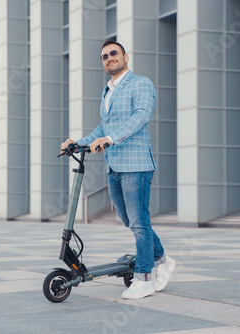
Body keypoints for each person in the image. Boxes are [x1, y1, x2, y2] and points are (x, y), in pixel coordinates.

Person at [60, 39, 176, 299]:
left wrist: (111, 139)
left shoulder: (141, 83)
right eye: (104, 56)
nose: (109, 58)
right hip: (113, 165)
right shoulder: (108, 90)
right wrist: (78, 143)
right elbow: (103, 128)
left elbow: (141, 116)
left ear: (125, 56)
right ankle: (164, 260)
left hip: (136, 165)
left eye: (114, 53)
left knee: (138, 222)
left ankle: (145, 277)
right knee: (130, 220)